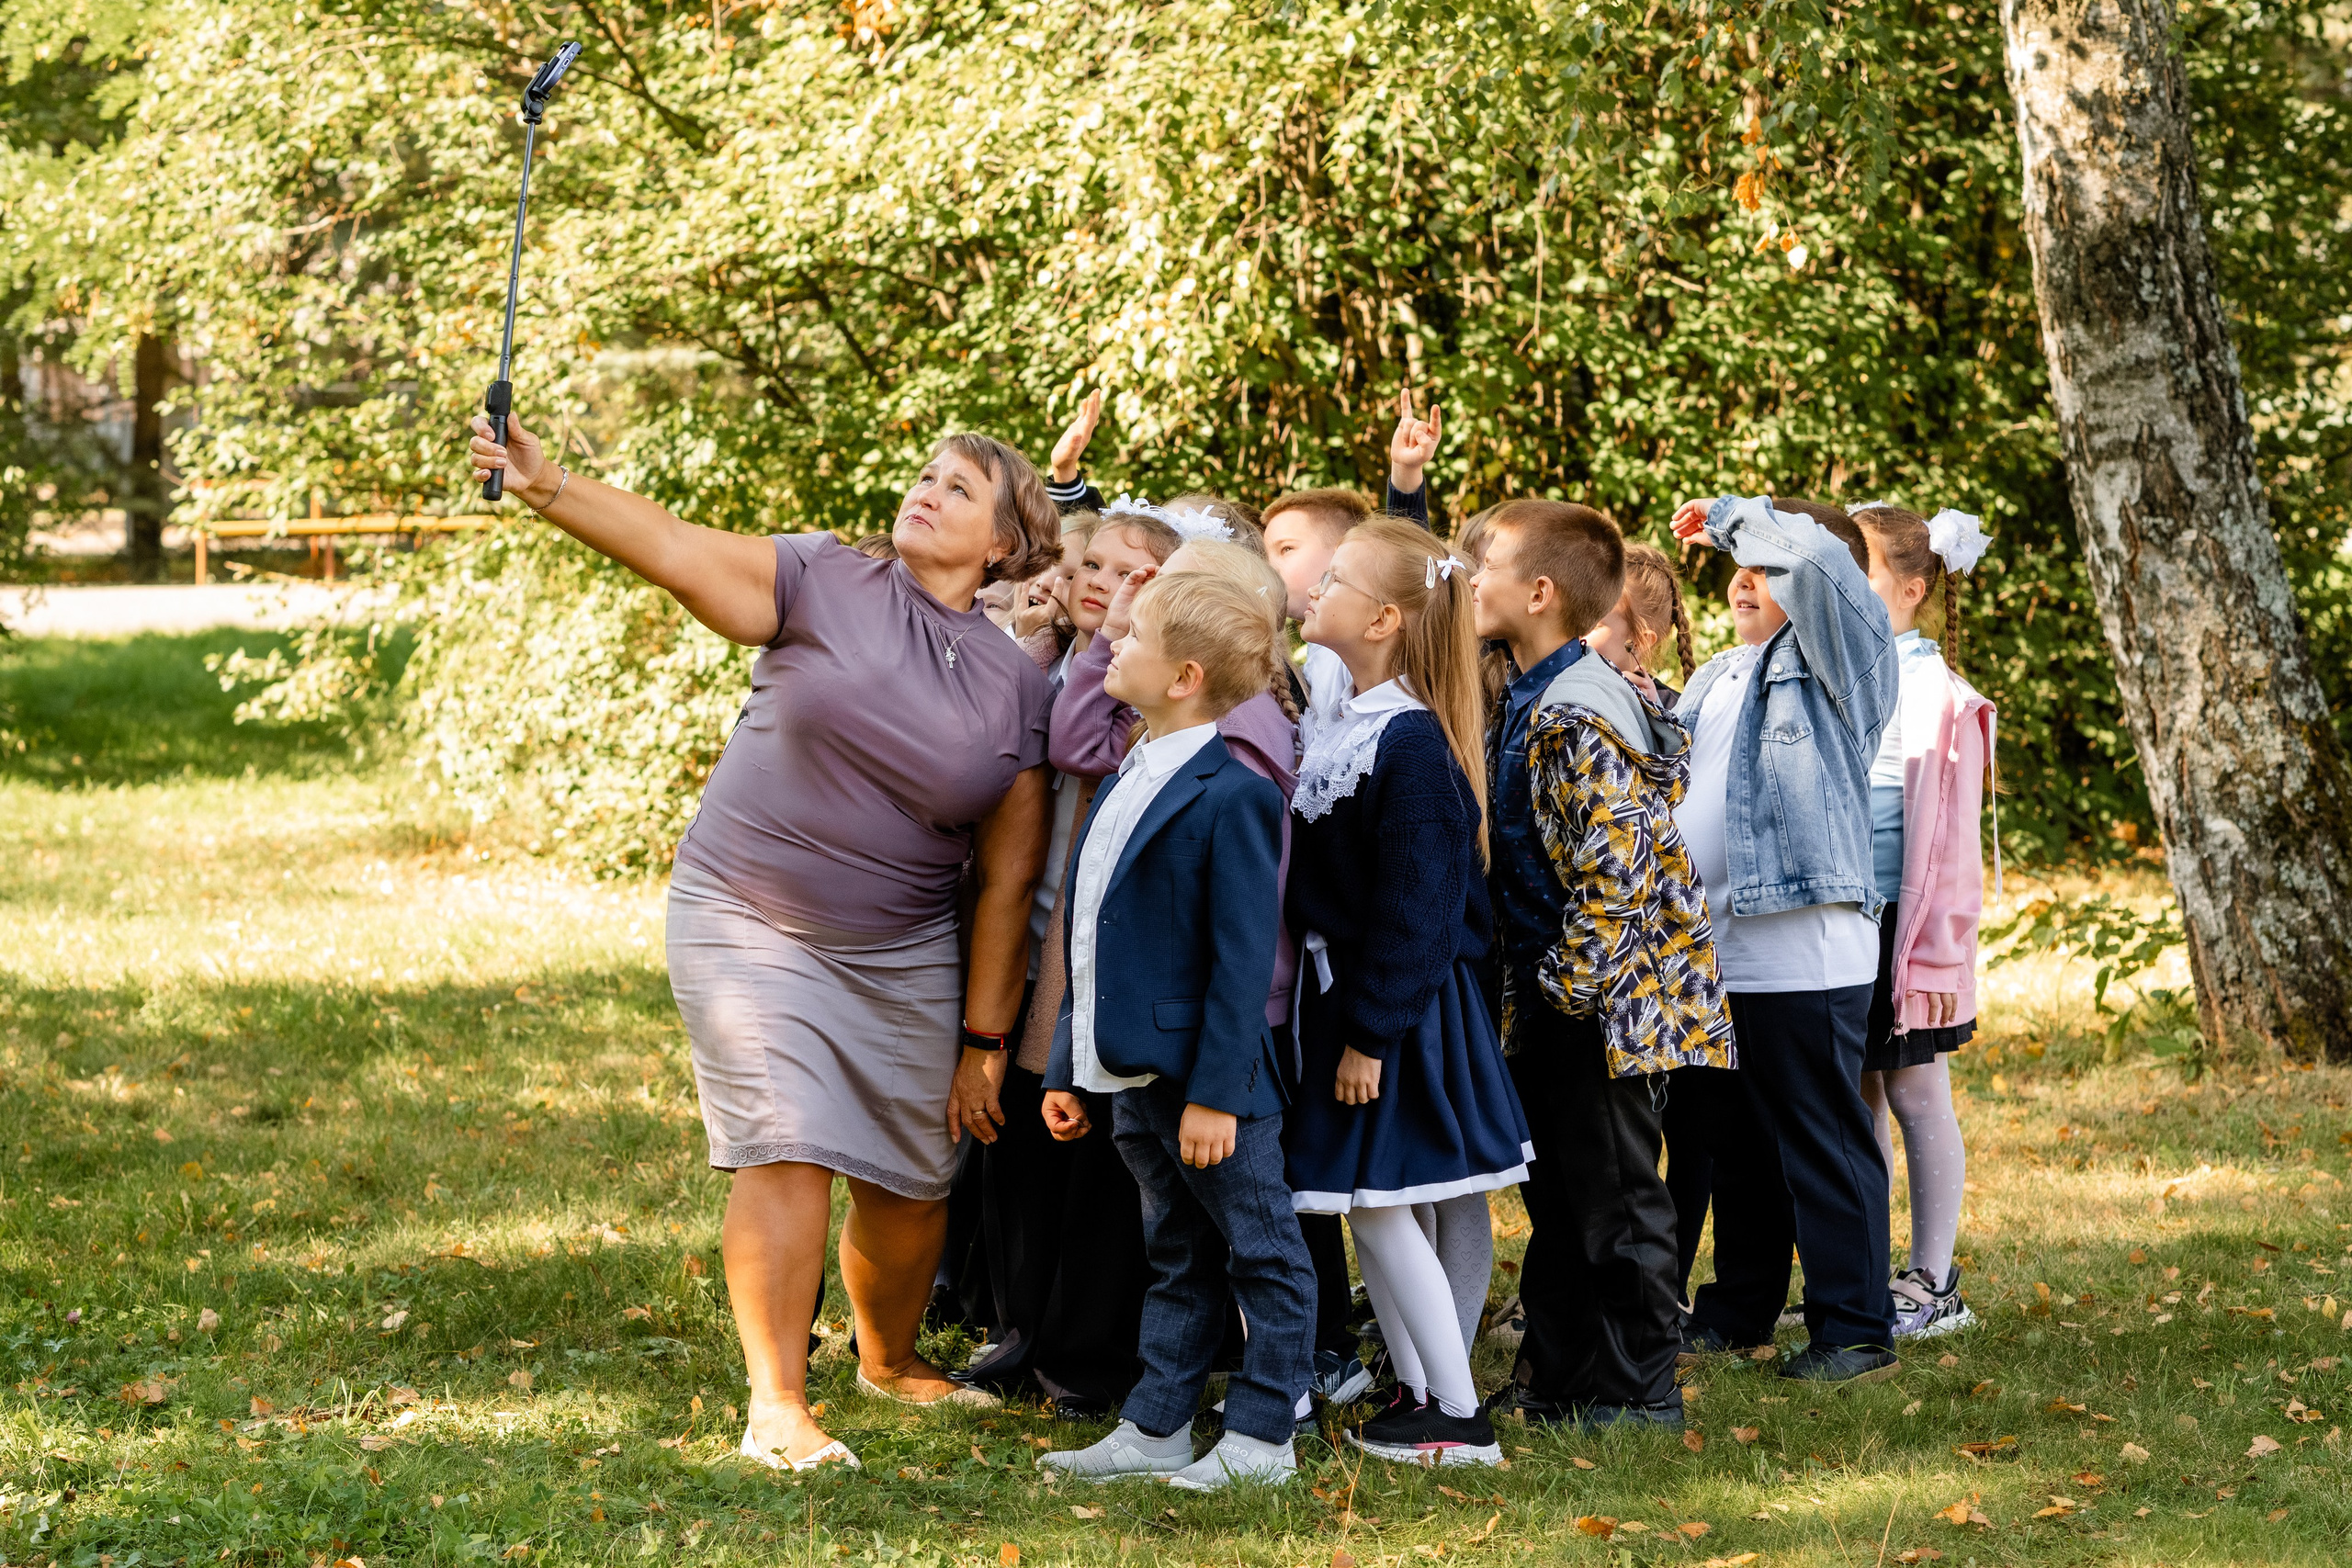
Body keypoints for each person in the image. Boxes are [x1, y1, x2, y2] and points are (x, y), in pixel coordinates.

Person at [465, 410, 1059, 1471]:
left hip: (904, 942)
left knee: (911, 1176)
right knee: (785, 1143)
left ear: (1005, 545)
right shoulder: (822, 577)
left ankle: (888, 1360)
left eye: (959, 489)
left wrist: (983, 1038)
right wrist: (550, 486)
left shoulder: (1016, 685)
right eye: (924, 474)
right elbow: (679, 549)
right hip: (749, 913)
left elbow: (1009, 879)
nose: (926, 490)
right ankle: (776, 1403)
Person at [1035, 574, 1314, 1491]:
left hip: (1210, 1084)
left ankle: (1262, 1440)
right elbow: (1091, 936)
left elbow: (1242, 965)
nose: (1115, 639)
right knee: (1176, 1254)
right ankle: (1156, 1427)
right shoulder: (1125, 773)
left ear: (1185, 675)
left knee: (1262, 1251)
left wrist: (1215, 1096)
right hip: (1128, 1074)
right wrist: (1068, 1067)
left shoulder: (1235, 795)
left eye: (1137, 635)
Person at [1473, 502, 1735, 1429]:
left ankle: (1637, 1387)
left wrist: (1567, 989)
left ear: (1538, 594)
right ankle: (1560, 1371)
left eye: (1488, 565)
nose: (1471, 579)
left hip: (1606, 998)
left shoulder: (1577, 709)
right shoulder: (1529, 690)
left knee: (1619, 1196)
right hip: (1555, 990)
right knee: (1561, 1194)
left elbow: (1614, 863)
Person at [1284, 516, 1526, 1467]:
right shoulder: (1354, 721)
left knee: (1383, 1205)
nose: (1315, 587)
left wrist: (1370, 1034)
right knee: (1366, 1205)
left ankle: (1458, 1415)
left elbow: (1420, 913)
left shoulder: (1411, 746)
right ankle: (1421, 1390)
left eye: (1334, 577)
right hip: (1356, 1000)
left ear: (1383, 617)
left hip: (1400, 1013)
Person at [1666, 494, 1901, 1384]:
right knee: (1737, 1140)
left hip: (1804, 945)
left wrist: (1736, 517)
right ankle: (1740, 1306)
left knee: (1819, 1134)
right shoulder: (1721, 672)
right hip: (1718, 947)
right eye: (1739, 564)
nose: (1742, 578)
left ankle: (1854, 1329)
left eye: (1764, 567)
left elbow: (1815, 565)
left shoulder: (1839, 657)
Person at [955, 507, 1178, 1415]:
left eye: (1131, 571)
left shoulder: (1141, 681)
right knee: (1019, 1155)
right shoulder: (1039, 659)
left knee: (1098, 1168)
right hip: (1029, 941)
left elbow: (1082, 746)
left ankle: (1088, 1357)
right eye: (1093, 562)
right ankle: (1021, 1335)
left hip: (1098, 955)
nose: (1101, 580)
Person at [1850, 502, 1997, 1340]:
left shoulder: (1933, 691)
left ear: (1910, 589)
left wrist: (1939, 957)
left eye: (1862, 573)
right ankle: (1867, 1268)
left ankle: (1935, 1278)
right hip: (1852, 913)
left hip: (1906, 927)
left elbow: (1948, 851)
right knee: (1864, 1088)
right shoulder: (1854, 672)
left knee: (1915, 1088)